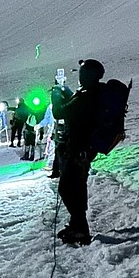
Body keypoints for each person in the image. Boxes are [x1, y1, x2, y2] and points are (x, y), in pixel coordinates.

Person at [50, 58, 105, 245]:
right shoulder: (93, 93)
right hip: (85, 149)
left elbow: (60, 112)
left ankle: (80, 229)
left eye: (82, 73)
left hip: (78, 149)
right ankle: (77, 226)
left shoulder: (86, 96)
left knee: (66, 188)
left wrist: (56, 96)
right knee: (77, 187)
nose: (79, 76)